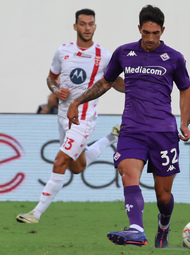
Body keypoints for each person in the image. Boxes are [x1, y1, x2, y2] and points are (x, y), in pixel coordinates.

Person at [67, 5, 190, 248]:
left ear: (162, 30)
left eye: (156, 33)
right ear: (139, 29)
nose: (151, 39)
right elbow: (106, 82)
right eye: (146, 33)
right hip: (132, 129)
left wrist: (184, 122)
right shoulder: (124, 53)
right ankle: (136, 229)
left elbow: (185, 88)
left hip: (163, 132)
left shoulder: (174, 57)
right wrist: (77, 101)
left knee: (163, 196)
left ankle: (163, 224)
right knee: (127, 173)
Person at [16, 8, 123, 224]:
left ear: (95, 26)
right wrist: (56, 91)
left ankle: (35, 213)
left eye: (90, 24)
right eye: (82, 24)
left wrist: (141, 88)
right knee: (77, 167)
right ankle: (111, 138)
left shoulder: (105, 55)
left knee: (60, 160)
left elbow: (115, 81)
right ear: (75, 26)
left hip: (84, 118)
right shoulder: (62, 51)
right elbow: (50, 78)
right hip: (63, 116)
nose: (87, 28)